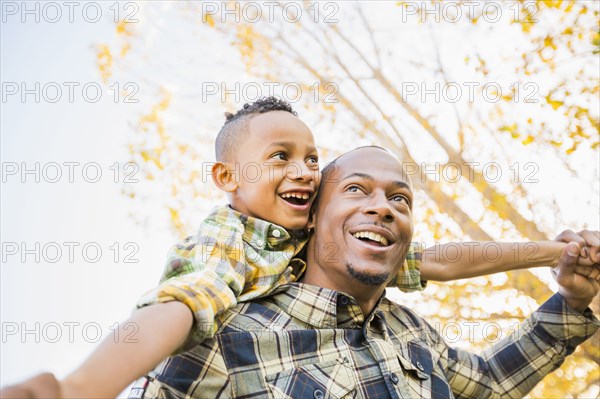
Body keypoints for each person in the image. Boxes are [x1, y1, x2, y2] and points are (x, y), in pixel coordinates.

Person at [1, 107, 598, 397]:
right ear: (315, 219)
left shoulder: (416, 337)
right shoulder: (229, 292)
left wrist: (559, 261)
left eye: (400, 198)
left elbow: (447, 267)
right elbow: (177, 306)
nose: (383, 207)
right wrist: (79, 388)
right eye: (356, 190)